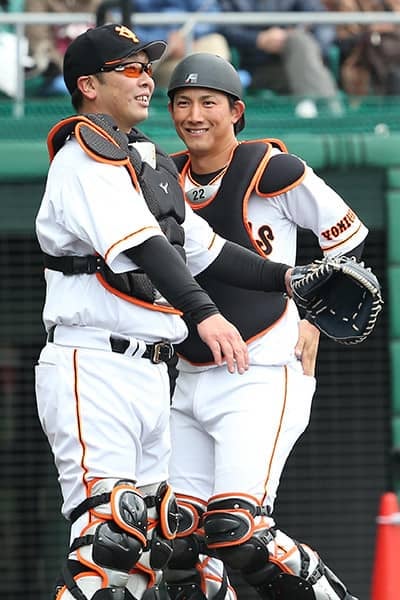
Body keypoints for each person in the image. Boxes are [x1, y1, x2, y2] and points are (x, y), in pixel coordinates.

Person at [33, 24, 310, 600]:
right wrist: (204, 313)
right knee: (108, 538)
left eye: (146, 67)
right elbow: (144, 247)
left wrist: (289, 277)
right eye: (129, 69)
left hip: (151, 373)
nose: (146, 79)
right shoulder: (82, 158)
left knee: (158, 548)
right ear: (88, 85)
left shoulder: (143, 161)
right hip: (93, 362)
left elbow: (209, 250)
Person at [164, 52, 367, 599]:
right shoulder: (166, 177)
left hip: (262, 372)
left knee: (238, 530)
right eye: (182, 103)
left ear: (236, 111)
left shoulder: (270, 167)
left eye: (209, 102)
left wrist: (314, 319)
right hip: (190, 377)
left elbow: (347, 238)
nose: (194, 114)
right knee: (176, 542)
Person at [218, 0, 343, 117]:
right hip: (256, 69)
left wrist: (289, 38)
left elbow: (322, 23)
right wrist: (258, 39)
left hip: (298, 62)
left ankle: (317, 108)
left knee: (298, 40)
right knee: (305, 54)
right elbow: (223, 29)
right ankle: (330, 113)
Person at [112, 0, 230, 88]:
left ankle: (208, 103)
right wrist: (164, 39)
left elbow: (211, 13)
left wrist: (188, 37)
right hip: (147, 54)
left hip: (190, 45)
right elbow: (115, 23)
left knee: (216, 44)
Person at [323, 0, 400, 96]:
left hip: (388, 55)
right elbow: (342, 42)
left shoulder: (387, 4)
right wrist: (369, 33)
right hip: (360, 57)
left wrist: (386, 29)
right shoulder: (345, 4)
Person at [25, 0, 101, 96]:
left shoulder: (98, 3)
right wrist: (71, 69)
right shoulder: (38, 2)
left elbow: (107, 40)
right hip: (54, 73)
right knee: (65, 86)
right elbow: (40, 43)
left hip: (93, 71)